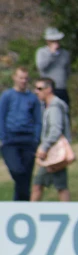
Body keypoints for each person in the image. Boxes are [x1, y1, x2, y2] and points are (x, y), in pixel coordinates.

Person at [0, 67, 42, 201]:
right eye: (21, 78)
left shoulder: (32, 98)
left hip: (28, 141)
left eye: (25, 78)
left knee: (26, 178)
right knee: (18, 171)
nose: (23, 81)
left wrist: (36, 139)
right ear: (14, 78)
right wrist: (2, 137)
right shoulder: (7, 96)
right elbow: (1, 116)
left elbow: (38, 120)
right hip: (10, 140)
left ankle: (20, 207)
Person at [31, 78, 71, 202]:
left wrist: (44, 147)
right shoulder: (48, 106)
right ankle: (69, 212)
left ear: (49, 89)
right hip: (53, 153)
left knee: (38, 186)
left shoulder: (54, 107)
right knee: (60, 186)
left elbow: (55, 130)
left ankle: (29, 214)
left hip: (53, 154)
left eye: (39, 88)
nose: (36, 91)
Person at [35, 27, 72, 107]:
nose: (56, 42)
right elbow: (41, 66)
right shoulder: (42, 52)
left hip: (61, 88)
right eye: (53, 41)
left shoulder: (65, 53)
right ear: (48, 41)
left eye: (57, 40)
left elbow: (68, 71)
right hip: (47, 90)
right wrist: (51, 54)